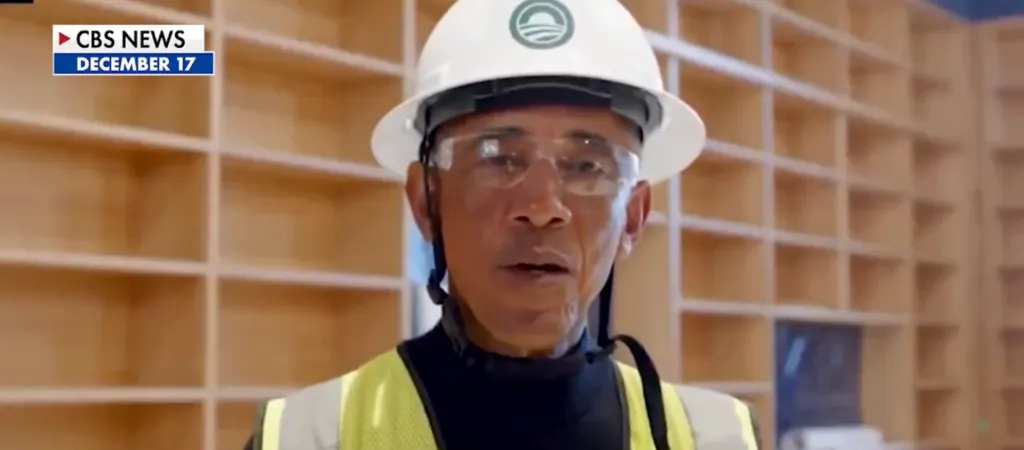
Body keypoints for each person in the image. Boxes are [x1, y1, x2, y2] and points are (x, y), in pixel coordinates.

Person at [242, 0, 761, 449]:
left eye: (586, 165)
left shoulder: (718, 439)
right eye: (498, 157)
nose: (540, 207)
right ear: (426, 201)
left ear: (632, 217)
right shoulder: (307, 439)